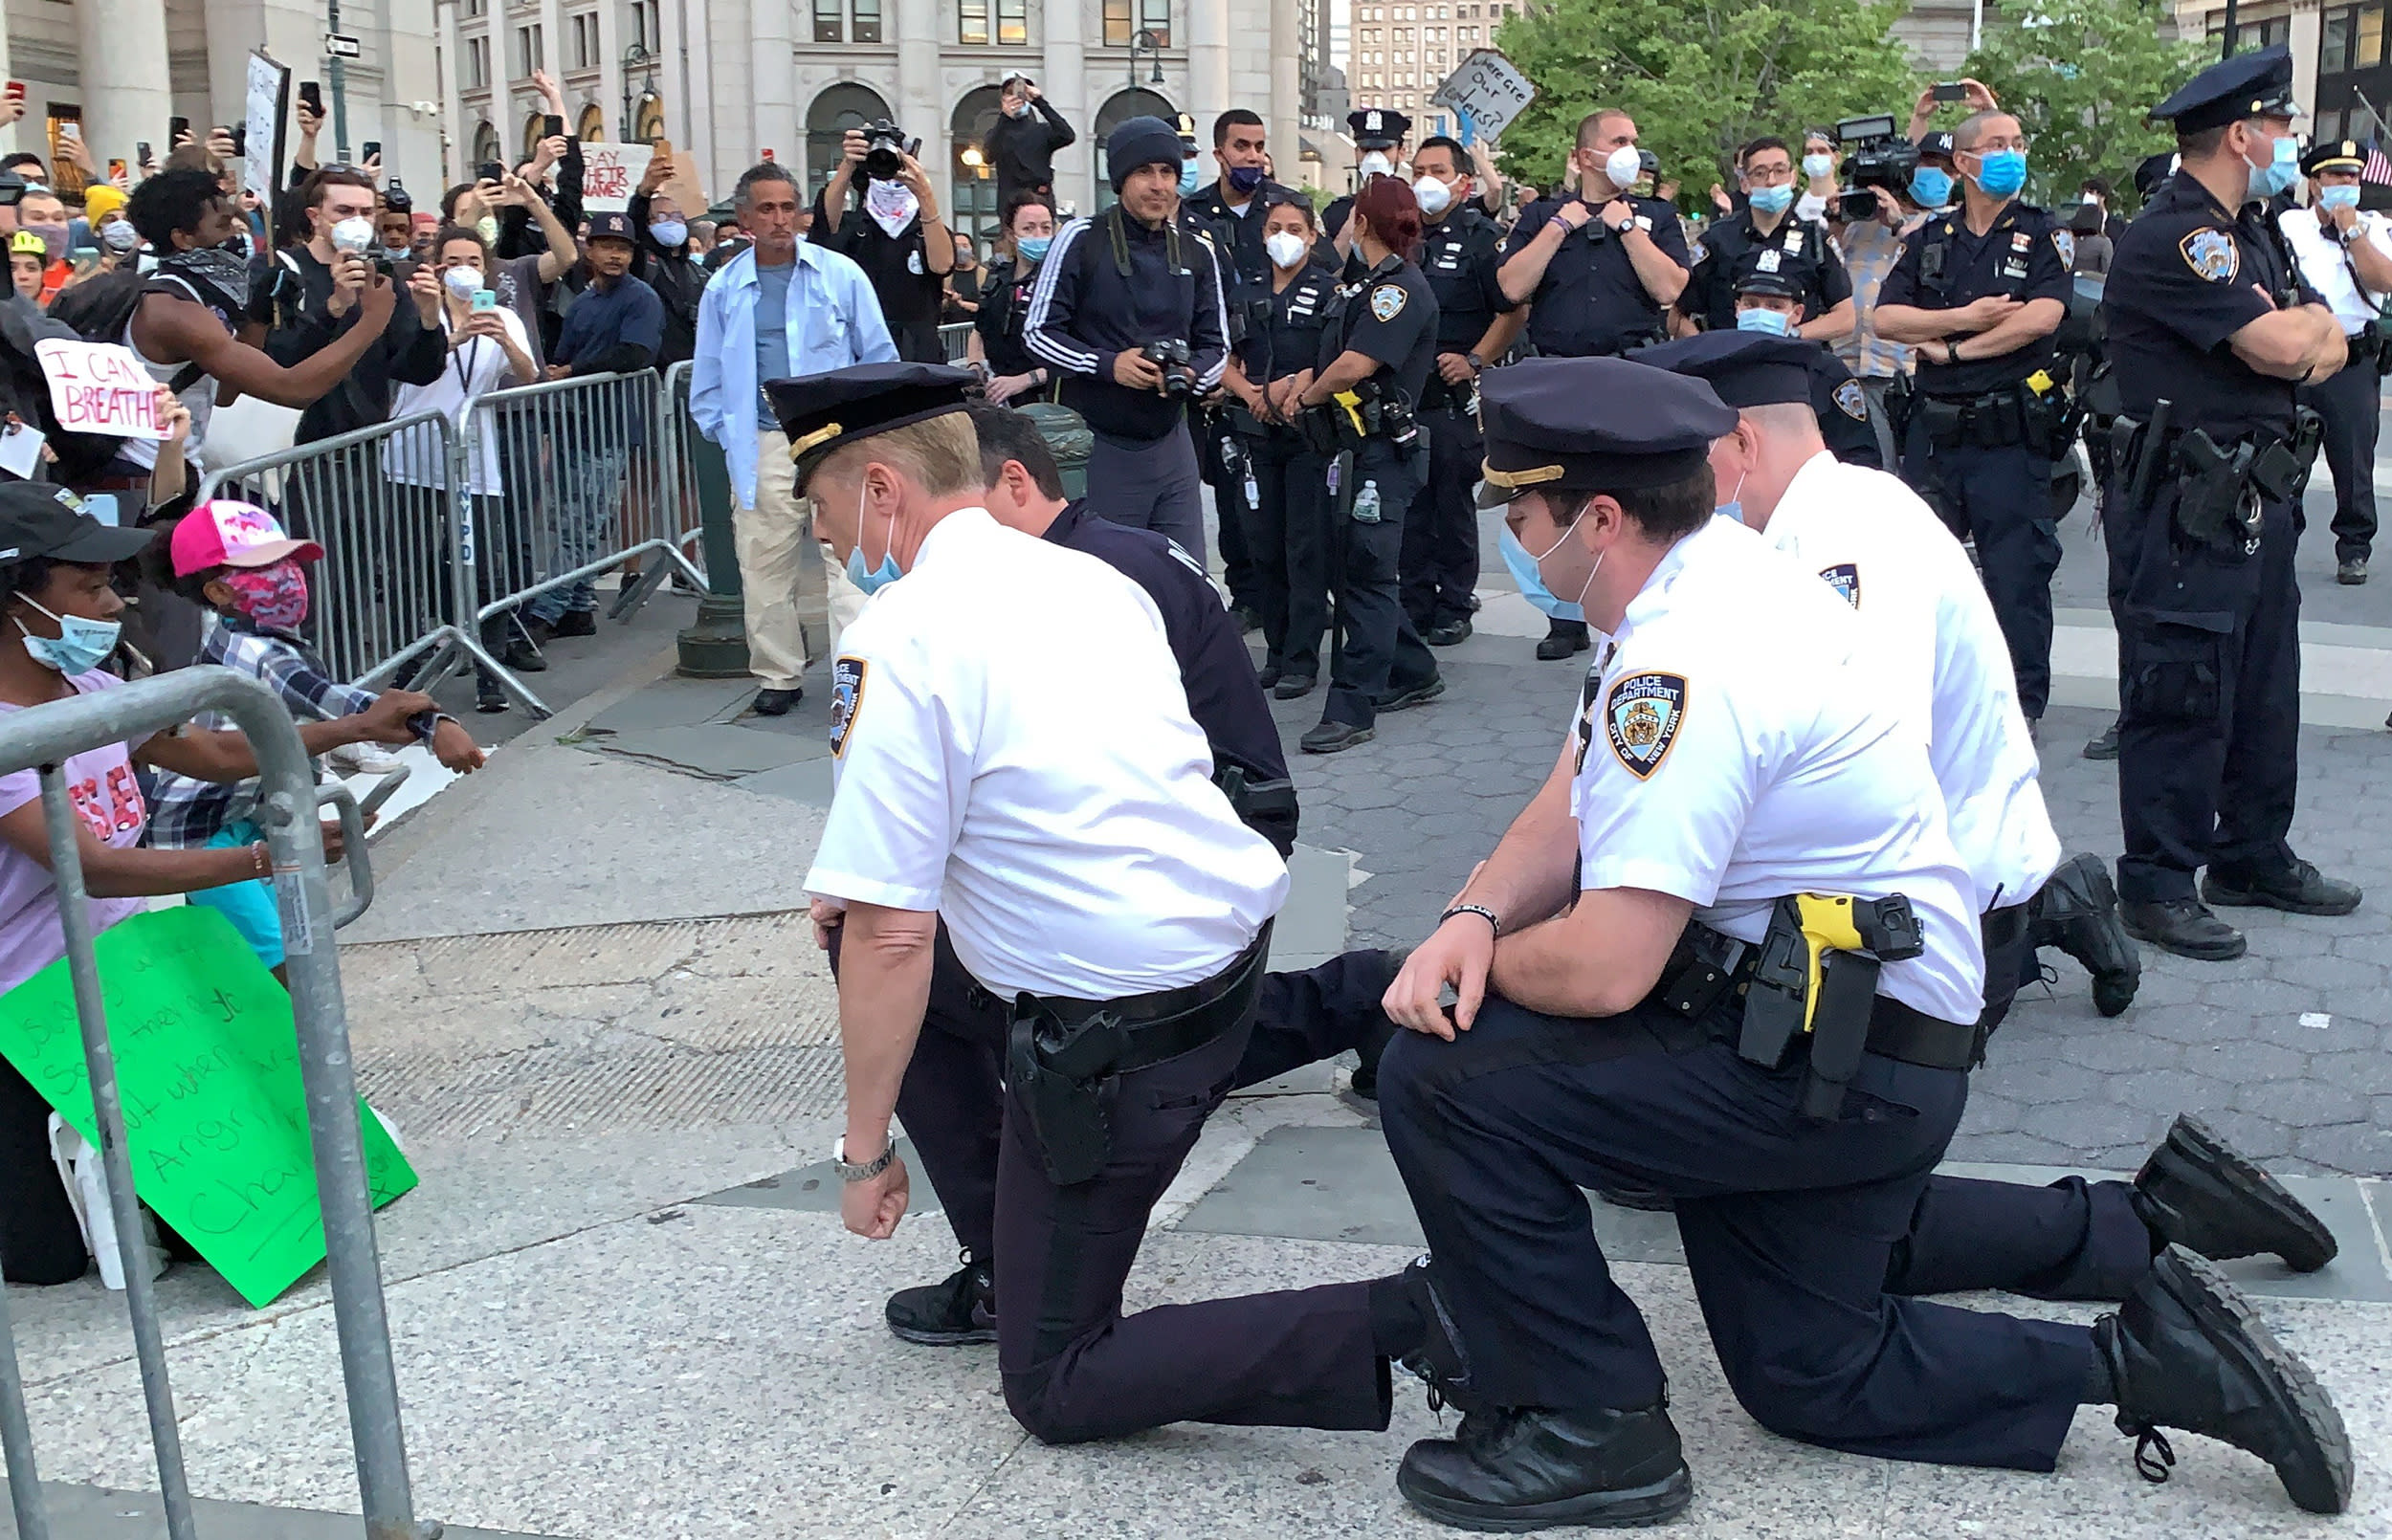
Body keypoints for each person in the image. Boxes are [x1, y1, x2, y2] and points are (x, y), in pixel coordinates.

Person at [1362, 355, 2352, 1529]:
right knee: (1807, 1369)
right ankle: (2156, 1321)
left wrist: (1458, 974)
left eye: (1518, 511)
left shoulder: (1685, 655)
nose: (1511, 539)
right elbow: (1572, 791)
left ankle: (1588, 1424)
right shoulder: (1711, 574)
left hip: (1837, 1054)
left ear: (1600, 517)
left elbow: (1603, 964)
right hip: (1856, 1037)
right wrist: (1473, 916)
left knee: (1442, 1073)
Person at [787, 361, 1403, 1448]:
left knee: (1057, 1382)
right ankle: (1008, 1246)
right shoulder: (1091, 574)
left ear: (882, 488)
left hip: (1121, 1033)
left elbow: (893, 929)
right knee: (869, 943)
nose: (824, 535)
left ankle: (1409, 1319)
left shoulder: (897, 636)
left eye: (825, 504)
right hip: (1209, 951)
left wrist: (863, 1148)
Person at [1634, 329, 2139, 1019]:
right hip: (1963, 829)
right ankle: (2051, 898)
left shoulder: (1841, 542)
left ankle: (2030, 910)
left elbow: (1872, 756)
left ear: (1744, 446)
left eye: (1688, 457)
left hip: (1933, 890)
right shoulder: (1825, 509)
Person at [0, 488, 434, 1285]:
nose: (112, 604)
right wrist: (272, 857)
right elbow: (90, 864)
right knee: (46, 1260)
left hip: (131, 972)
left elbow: (213, 752)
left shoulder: (91, 698)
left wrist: (355, 725)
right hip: (22, 1007)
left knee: (231, 1203)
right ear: (15, 601)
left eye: (111, 583)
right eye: (89, 587)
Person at [2100, 45, 2360, 959]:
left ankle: (2249, 852)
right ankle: (2159, 881)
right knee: (2183, 687)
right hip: (2186, 503)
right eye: (2282, 125)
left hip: (2256, 495)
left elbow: (2322, 337)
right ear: (2242, 133)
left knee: (2262, 684)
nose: (2291, 139)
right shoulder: (2182, 234)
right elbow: (2287, 347)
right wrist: (2313, 333)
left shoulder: (2250, 231)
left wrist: (2312, 332)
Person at [143, 500, 486, 970]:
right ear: (220, 590)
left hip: (240, 822)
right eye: (266, 567)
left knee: (242, 960)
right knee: (291, 968)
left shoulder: (239, 638)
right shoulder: (261, 653)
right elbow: (333, 700)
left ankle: (267, 1040)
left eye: (288, 562)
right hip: (203, 836)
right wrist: (433, 725)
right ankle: (294, 1042)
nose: (289, 576)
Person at [1872, 108, 2071, 734]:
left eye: (2018, 142)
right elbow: (1886, 320)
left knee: (2017, 575)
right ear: (1963, 163)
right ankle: (1926, 694)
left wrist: (1956, 349)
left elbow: (2041, 317)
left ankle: (2019, 703)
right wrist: (1965, 318)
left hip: (2010, 432)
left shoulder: (2043, 233)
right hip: (1934, 432)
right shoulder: (1931, 239)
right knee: (1922, 572)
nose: (2012, 153)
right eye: (1996, 144)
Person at [690, 162, 897, 717]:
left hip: (835, 439)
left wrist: (869, 432)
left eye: (788, 207)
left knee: (850, 562)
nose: (780, 219)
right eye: (767, 209)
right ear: (744, 219)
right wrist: (727, 433)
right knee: (763, 563)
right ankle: (778, 674)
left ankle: (857, 673)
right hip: (762, 440)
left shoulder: (841, 275)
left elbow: (878, 356)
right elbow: (706, 374)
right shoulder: (724, 288)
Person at [1495, 107, 1691, 663]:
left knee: (1628, 491)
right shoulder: (1541, 216)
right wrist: (1562, 226)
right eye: (1618, 140)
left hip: (1630, 373)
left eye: (1634, 138)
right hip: (1557, 374)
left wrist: (1627, 227)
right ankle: (1564, 611)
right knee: (1560, 492)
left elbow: (1670, 288)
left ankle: (1631, 597)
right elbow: (1511, 285)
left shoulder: (1655, 216)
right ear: (1585, 156)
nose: (1631, 148)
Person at [1283, 177, 1444, 755]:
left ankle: (1353, 705)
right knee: (1352, 569)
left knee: (1369, 575)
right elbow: (1330, 358)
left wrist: (1307, 397)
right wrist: (1303, 381)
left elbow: (1354, 366)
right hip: (1348, 448)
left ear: (1364, 222)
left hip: (1380, 451)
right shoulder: (1359, 287)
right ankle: (1413, 670)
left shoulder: (1397, 290)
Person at [1023, 115, 1229, 562]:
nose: (1158, 186)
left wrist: (1191, 374)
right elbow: (1038, 333)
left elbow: (1217, 346)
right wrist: (1109, 366)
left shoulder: (1198, 250)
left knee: (1186, 577)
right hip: (1098, 443)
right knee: (1109, 582)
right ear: (1119, 180)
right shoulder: (1081, 239)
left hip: (1172, 440)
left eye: (1167, 173)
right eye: (1143, 172)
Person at [385, 224, 542, 712]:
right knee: (412, 563)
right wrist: (453, 339)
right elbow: (404, 366)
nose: (464, 270)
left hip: (475, 453)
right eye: (454, 260)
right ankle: (411, 663)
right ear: (437, 265)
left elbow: (528, 375)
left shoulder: (503, 316)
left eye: (474, 261)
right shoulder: (416, 311)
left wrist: (501, 338)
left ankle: (489, 673)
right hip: (413, 451)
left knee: (486, 564)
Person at [1401, 134, 1520, 647]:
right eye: (1419, 170)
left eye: (1437, 170)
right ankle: (1415, 601)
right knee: (1410, 505)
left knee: (1450, 503)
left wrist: (1475, 359)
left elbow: (1513, 309)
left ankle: (1453, 602)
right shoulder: (1401, 235)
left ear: (1463, 182)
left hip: (1453, 396)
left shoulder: (1480, 237)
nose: (1426, 180)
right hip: (1405, 396)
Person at [1219, 192, 1337, 701]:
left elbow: (1332, 356)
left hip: (1306, 432)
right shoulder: (1244, 290)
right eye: (1275, 228)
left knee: (1304, 547)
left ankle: (1303, 658)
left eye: (1295, 227)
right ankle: (1277, 648)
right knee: (1261, 544)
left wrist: (1290, 387)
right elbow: (1219, 354)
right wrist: (1249, 393)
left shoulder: (1329, 289)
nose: (1284, 237)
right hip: (1253, 431)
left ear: (1312, 236)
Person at [253, 167, 451, 452]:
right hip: (291, 452)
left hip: (363, 449)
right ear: (315, 217)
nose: (357, 221)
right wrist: (334, 307)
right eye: (344, 211)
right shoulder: (280, 269)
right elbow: (279, 359)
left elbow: (419, 371)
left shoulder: (381, 274)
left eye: (366, 212)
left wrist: (430, 321)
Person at [2282, 138, 2392, 585]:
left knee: (2353, 461)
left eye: (2354, 176)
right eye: (2337, 176)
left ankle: (2354, 547)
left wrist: (2351, 231)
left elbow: (2383, 279)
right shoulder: (2290, 225)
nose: (2348, 184)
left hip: (2351, 360)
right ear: (2315, 184)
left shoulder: (2374, 226)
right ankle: (2279, 538)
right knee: (2287, 455)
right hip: (2300, 357)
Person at [1707, 257, 1884, 470]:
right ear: (1737, 308)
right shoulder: (1714, 367)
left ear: (1798, 313)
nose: (1761, 313)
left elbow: (1860, 456)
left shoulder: (1825, 372)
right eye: (1751, 304)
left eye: (1775, 306)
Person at [1677, 136, 1852, 341]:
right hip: (1728, 363)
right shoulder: (1717, 239)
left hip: (1793, 361)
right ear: (1745, 183)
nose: (1771, 181)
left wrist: (1793, 336)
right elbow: (1678, 315)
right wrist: (1707, 350)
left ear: (1793, 178)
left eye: (1780, 171)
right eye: (1760, 173)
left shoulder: (1815, 240)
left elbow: (1846, 316)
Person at [815, 125, 955, 364]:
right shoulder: (855, 224)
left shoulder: (926, 227)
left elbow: (943, 265)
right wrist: (849, 164)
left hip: (918, 353)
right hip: (862, 348)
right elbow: (825, 228)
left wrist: (924, 193)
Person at [965, 191, 1056, 405]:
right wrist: (974, 367)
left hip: (1044, 398)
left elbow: (1075, 351)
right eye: (1028, 228)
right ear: (1011, 234)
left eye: (1046, 228)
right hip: (997, 394)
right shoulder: (998, 277)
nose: (1038, 235)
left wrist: (1025, 380)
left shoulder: (1060, 281)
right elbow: (978, 330)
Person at [628, 155, 706, 367]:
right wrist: (643, 193)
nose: (670, 222)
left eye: (677, 216)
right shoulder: (644, 263)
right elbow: (633, 230)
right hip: (659, 369)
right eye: (661, 217)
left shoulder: (697, 272)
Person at [1320, 108, 1410, 266]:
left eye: (1383, 150)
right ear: (1356, 153)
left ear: (1401, 153)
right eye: (1366, 150)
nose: (1374, 159)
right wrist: (1349, 228)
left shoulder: (1413, 208)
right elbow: (1325, 271)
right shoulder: (1337, 212)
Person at [984, 75, 1075, 208]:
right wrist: (1004, 117)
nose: (1016, 98)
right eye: (1010, 93)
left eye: (1021, 93)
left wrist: (1040, 102)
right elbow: (988, 156)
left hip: (1041, 201)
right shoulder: (998, 133)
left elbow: (1067, 135)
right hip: (1011, 207)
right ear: (1003, 98)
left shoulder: (1042, 131)